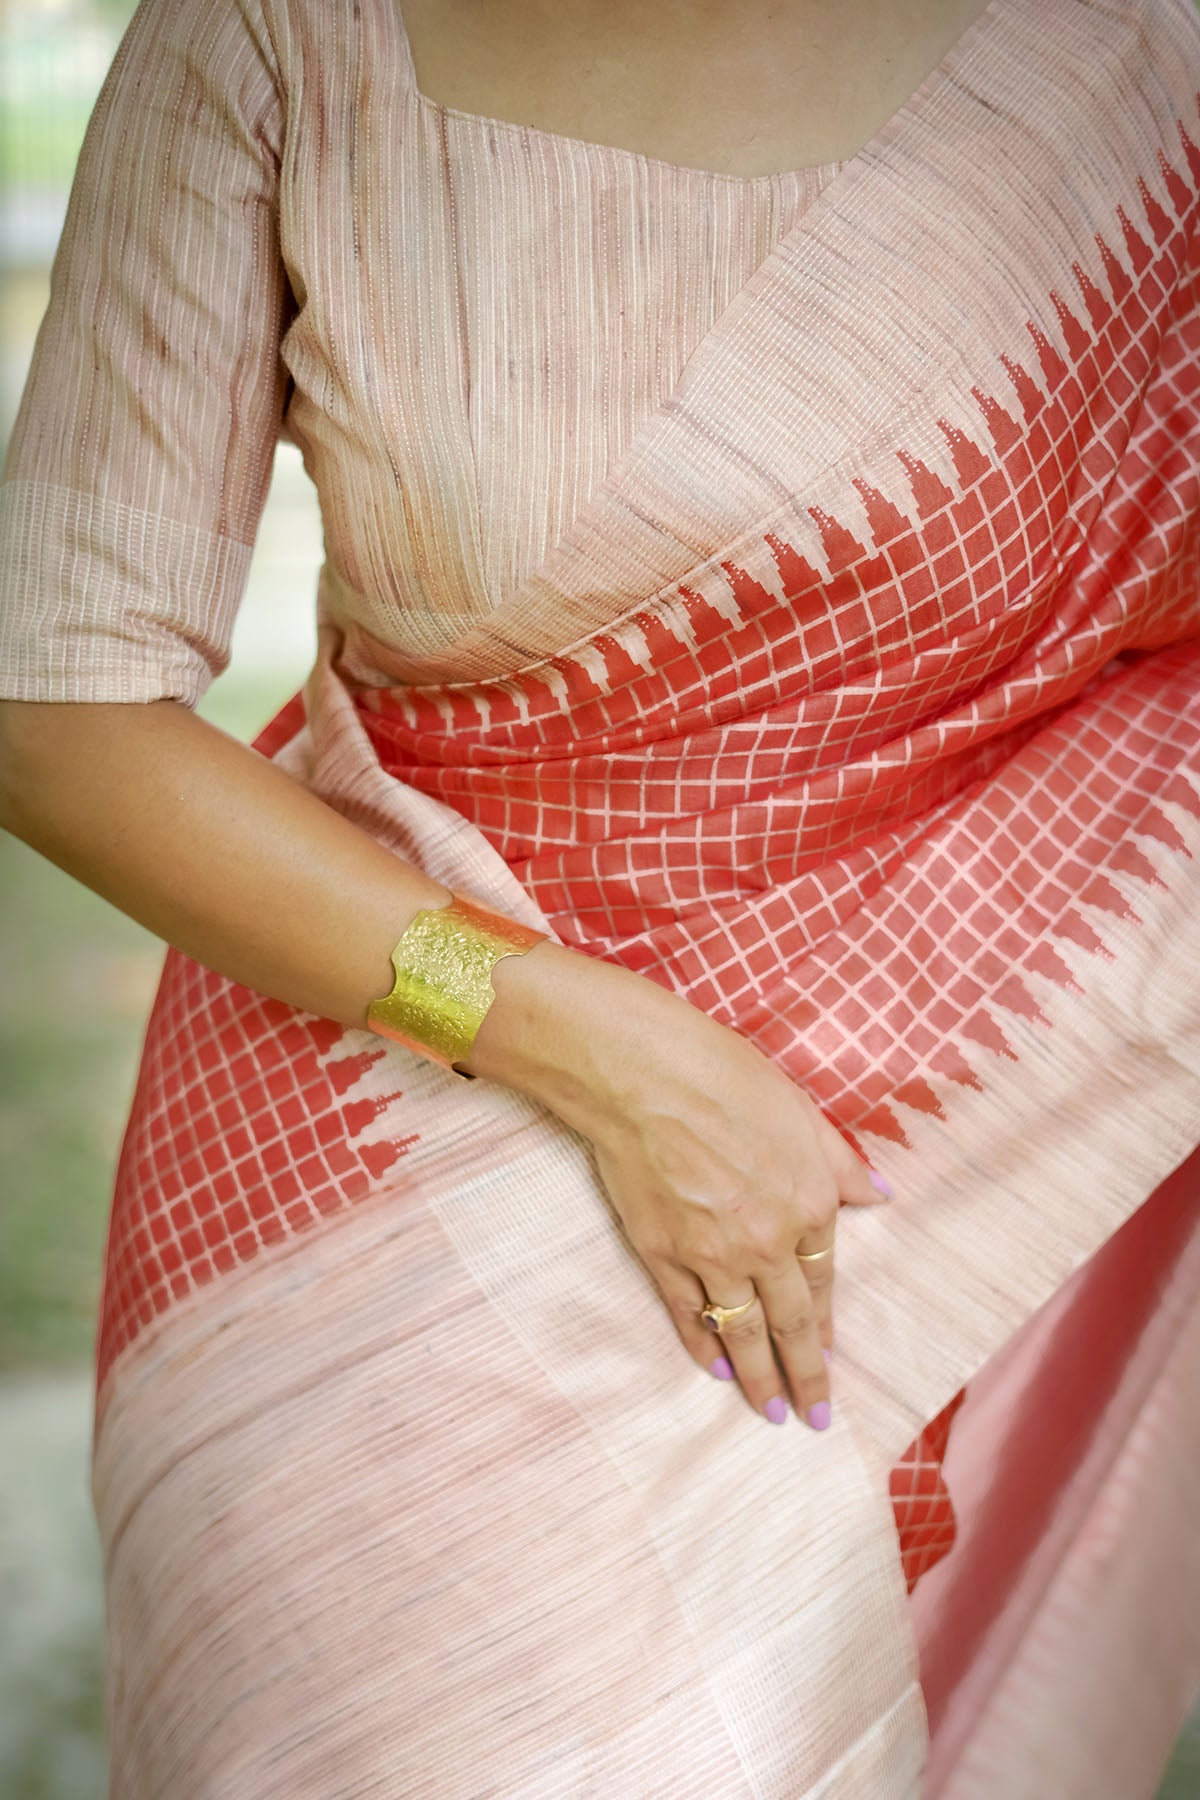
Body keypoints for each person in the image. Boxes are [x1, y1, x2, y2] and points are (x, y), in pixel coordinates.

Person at [0, 0, 1197, 1790]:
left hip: (940, 1160)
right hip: (376, 1190)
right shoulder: (276, 36)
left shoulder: (1130, 60)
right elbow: (51, 711)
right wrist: (595, 1050)